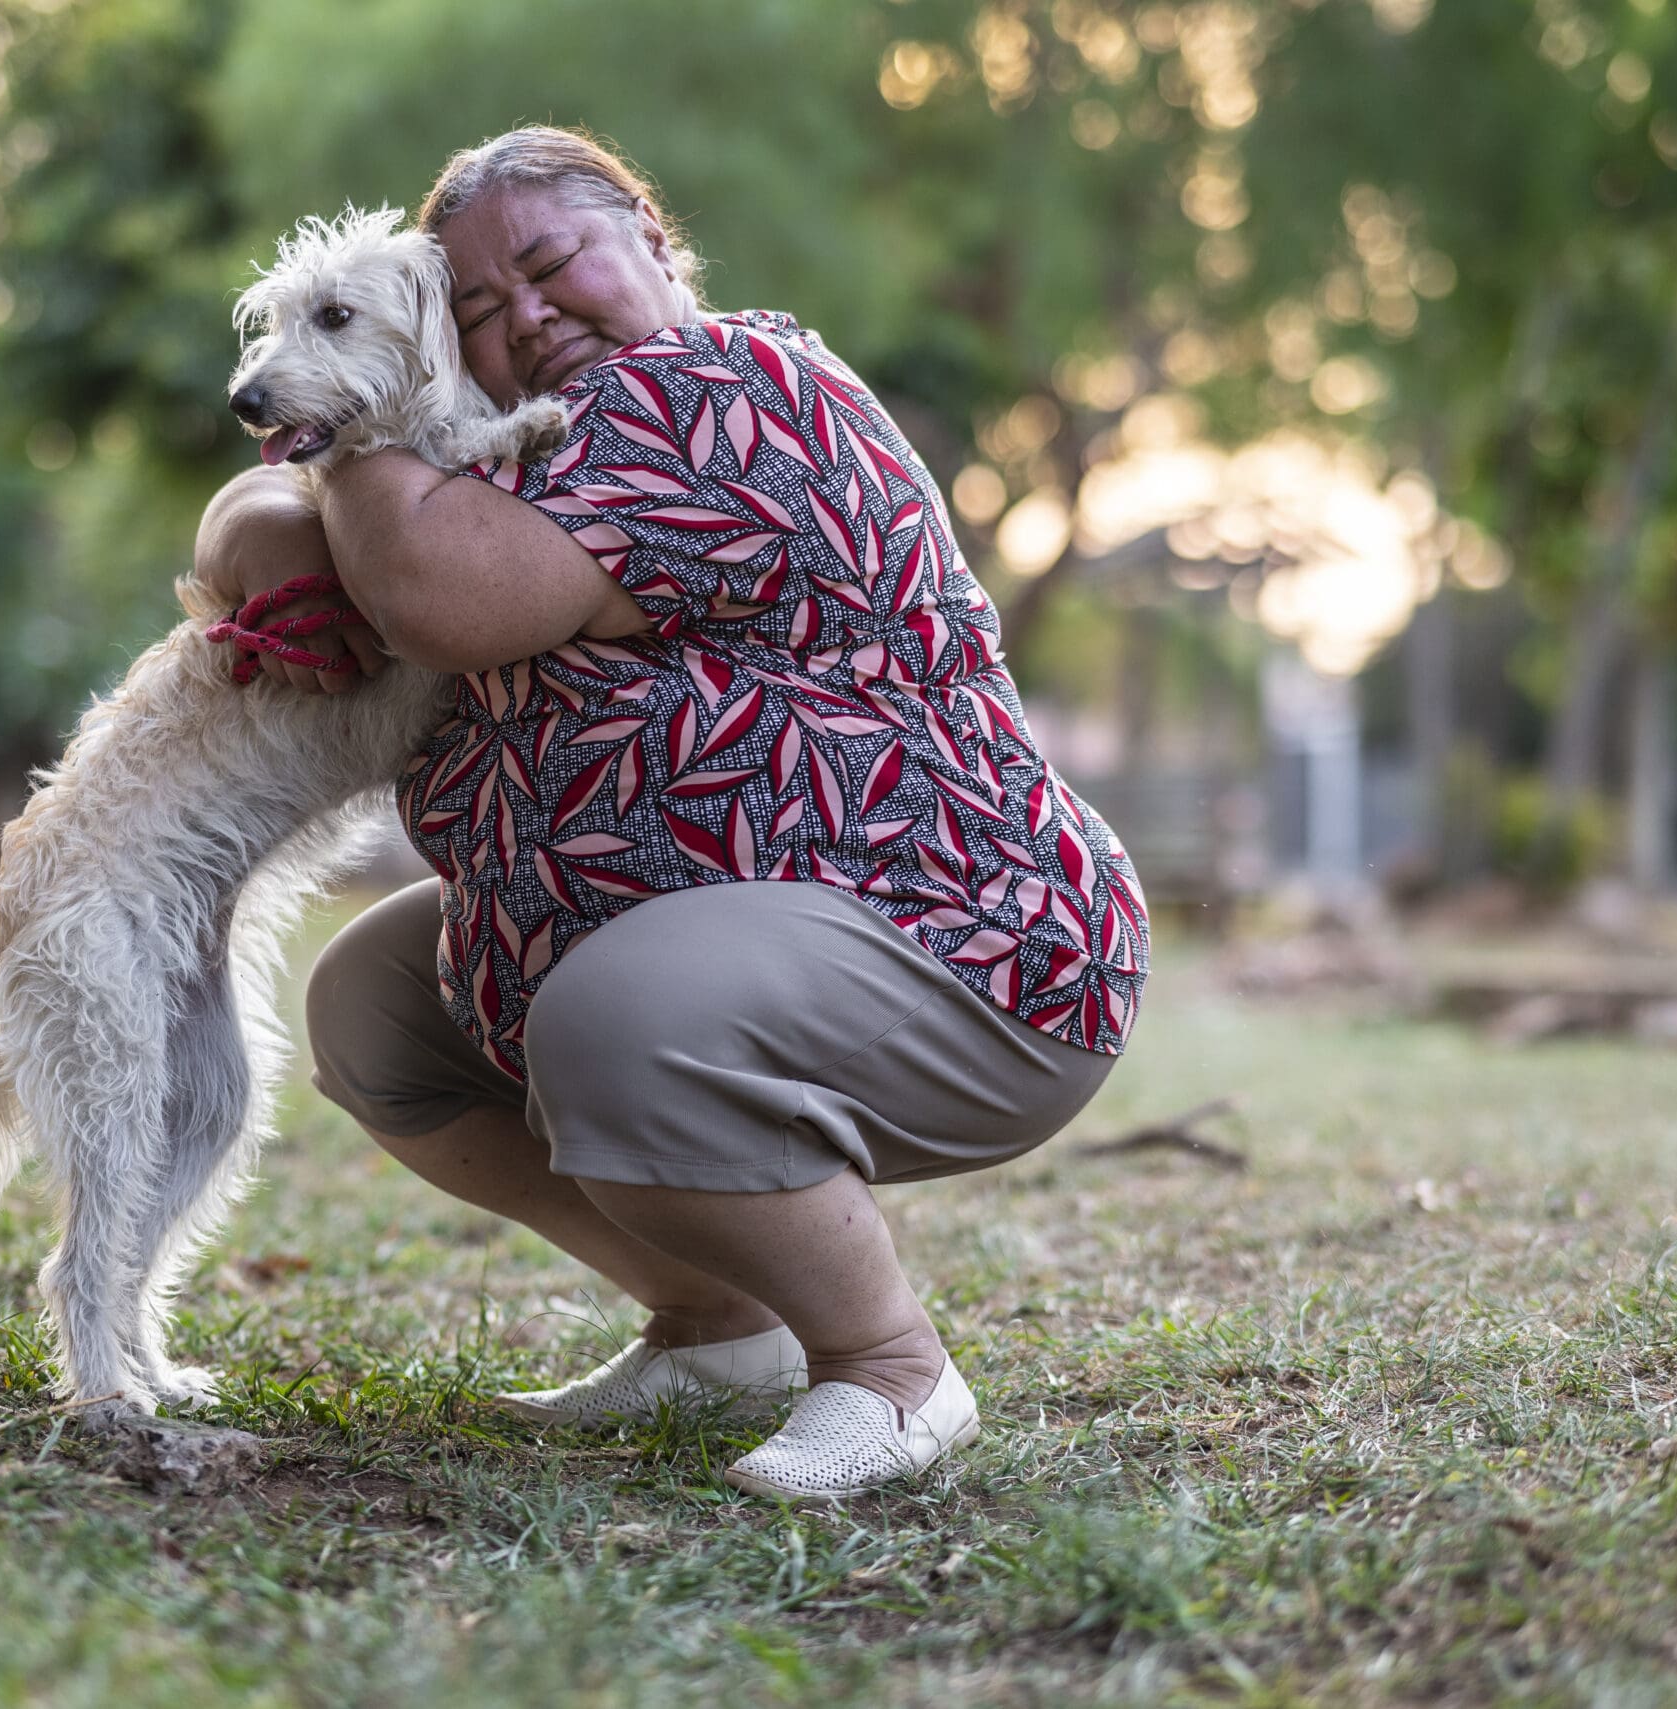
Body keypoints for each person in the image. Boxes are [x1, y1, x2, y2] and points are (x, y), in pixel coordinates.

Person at [191, 128, 1149, 1499]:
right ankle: (719, 1325)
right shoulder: (507, 459)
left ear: (648, 233)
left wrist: (333, 431)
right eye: (473, 309)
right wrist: (321, 450)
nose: (524, 314)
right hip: (719, 936)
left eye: (551, 261)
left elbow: (431, 600)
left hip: (973, 941)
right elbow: (258, 532)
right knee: (376, 1004)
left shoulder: (720, 388)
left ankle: (888, 1367)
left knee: (616, 1018)